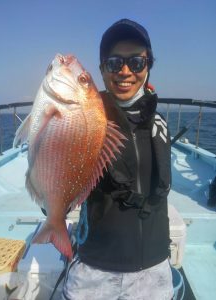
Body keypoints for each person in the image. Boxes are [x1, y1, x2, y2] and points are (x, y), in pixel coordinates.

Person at [62, 18, 173, 300]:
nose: (125, 71)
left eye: (136, 62)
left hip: (153, 269)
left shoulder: (158, 123)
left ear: (148, 66)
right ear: (102, 69)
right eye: (114, 63)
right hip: (94, 268)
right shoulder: (84, 119)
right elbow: (61, 179)